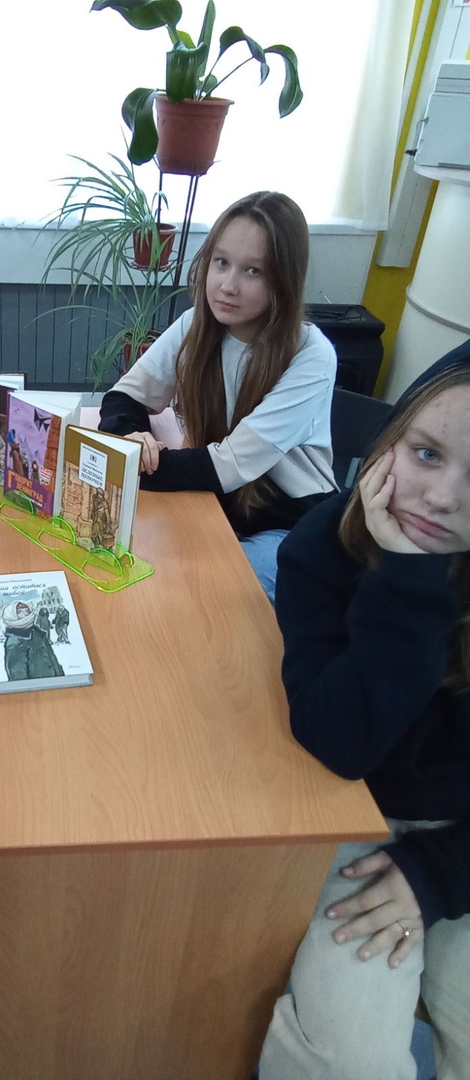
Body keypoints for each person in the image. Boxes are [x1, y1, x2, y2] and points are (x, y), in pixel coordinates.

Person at [257, 340, 470, 1080]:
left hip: (460, 841)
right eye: (427, 454)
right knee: (350, 1059)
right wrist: (407, 582)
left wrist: (439, 873)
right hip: (351, 814)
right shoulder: (325, 545)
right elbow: (338, 742)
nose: (440, 498)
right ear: (390, 444)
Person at [98, 190, 337, 602]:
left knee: (207, 597)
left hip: (286, 524)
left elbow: (230, 465)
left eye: (253, 271)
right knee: (131, 571)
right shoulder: (196, 324)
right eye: (222, 262)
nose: (228, 286)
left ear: (284, 280)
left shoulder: (311, 354)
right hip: (211, 502)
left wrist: (134, 464)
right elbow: (124, 397)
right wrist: (133, 438)